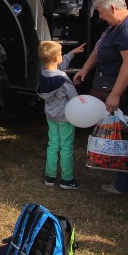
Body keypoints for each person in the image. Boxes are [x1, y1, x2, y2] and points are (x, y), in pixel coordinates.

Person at [73, 0, 128, 196]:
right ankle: (127, 181)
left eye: (101, 12)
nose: (101, 16)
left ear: (112, 7)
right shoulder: (115, 26)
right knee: (124, 137)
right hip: (116, 88)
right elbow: (99, 48)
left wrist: (115, 94)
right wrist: (85, 68)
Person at [37, 40, 86, 190]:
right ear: (56, 58)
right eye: (61, 54)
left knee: (53, 145)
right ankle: (67, 179)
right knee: (66, 147)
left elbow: (58, 67)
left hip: (51, 117)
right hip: (65, 118)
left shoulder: (43, 74)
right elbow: (74, 98)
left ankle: (50, 177)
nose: (62, 56)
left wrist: (72, 53)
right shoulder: (63, 79)